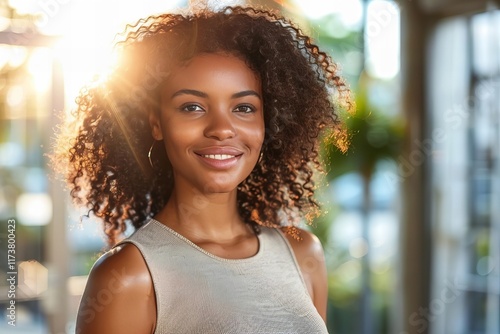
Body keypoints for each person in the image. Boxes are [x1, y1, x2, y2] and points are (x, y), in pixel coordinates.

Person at [53, 4, 351, 334]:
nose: (222, 129)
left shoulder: (303, 253)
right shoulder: (129, 276)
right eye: (192, 107)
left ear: (268, 121)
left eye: (243, 107)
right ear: (157, 123)